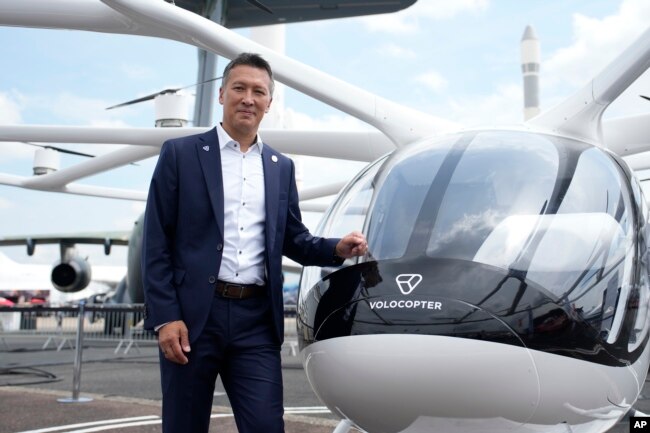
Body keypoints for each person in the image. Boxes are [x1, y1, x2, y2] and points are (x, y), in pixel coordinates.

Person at [141, 52, 368, 433]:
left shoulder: (281, 167)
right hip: (194, 318)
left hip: (256, 322)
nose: (249, 98)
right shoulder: (180, 155)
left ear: (269, 103)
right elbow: (156, 241)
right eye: (240, 88)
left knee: (265, 426)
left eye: (258, 91)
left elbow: (293, 238)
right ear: (221, 94)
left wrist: (335, 248)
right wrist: (166, 317)